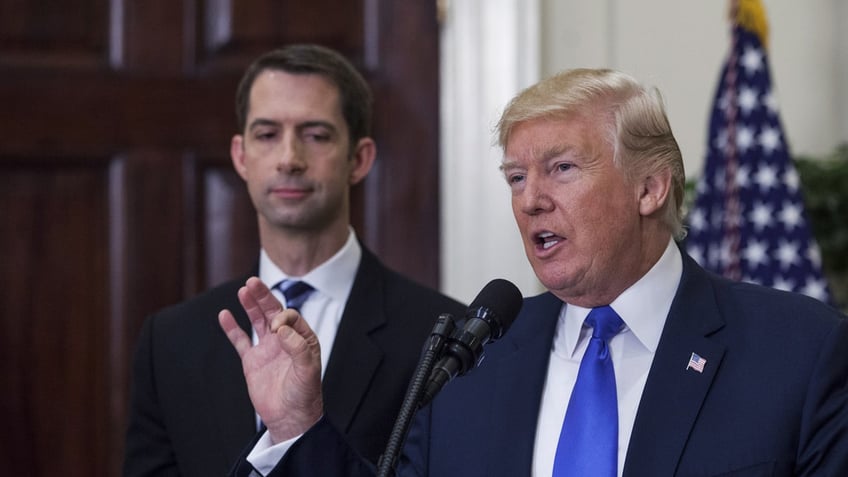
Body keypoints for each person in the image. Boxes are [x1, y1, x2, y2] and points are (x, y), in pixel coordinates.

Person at [221, 68, 848, 477]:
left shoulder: (800, 350)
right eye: (517, 178)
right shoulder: (473, 362)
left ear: (650, 187)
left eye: (562, 169)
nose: (531, 199)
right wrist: (297, 427)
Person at [121, 44, 466, 477]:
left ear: (359, 159)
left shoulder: (442, 335)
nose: (289, 159)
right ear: (240, 156)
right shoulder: (170, 341)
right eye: (267, 135)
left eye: (316, 135)